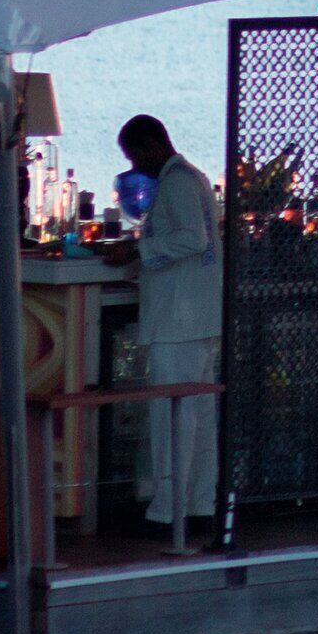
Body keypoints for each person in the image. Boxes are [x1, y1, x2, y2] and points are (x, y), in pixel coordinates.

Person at [102, 114, 221, 543]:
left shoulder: (176, 183)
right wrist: (138, 262)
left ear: (153, 145)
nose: (135, 166)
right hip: (198, 314)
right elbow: (189, 243)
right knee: (199, 418)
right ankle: (200, 506)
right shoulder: (194, 178)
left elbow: (194, 239)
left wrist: (139, 248)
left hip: (179, 318)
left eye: (135, 155)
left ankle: (167, 513)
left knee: (173, 416)